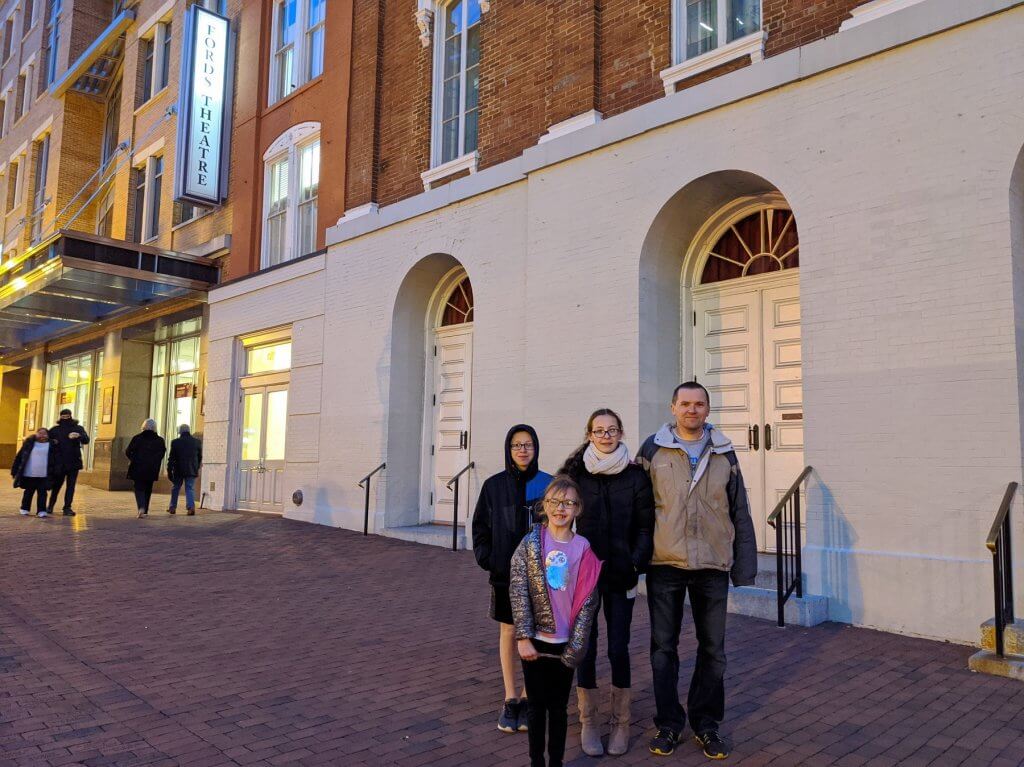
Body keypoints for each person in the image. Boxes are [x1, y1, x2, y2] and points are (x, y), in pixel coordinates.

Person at [637, 382, 757, 760]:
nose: (692, 410)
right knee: (663, 650)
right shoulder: (651, 449)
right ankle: (669, 723)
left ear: (707, 409)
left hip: (711, 564)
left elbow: (740, 509)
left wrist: (744, 564)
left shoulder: (724, 451)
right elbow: (637, 507)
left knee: (713, 651)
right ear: (673, 407)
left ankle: (706, 724)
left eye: (699, 404)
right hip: (665, 563)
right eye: (685, 404)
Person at [558, 408, 654, 756]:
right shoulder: (574, 475)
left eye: (612, 430)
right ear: (589, 435)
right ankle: (589, 720)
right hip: (583, 577)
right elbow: (559, 519)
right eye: (599, 431)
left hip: (620, 575)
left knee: (618, 647)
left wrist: (635, 562)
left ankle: (621, 723)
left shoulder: (635, 476)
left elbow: (645, 527)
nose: (606, 436)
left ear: (621, 433)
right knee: (585, 646)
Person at [510, 475, 602, 767]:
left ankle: (556, 762)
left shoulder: (583, 548)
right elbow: (518, 589)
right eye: (554, 502)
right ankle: (537, 760)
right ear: (544, 506)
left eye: (568, 503)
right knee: (536, 706)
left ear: (578, 509)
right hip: (535, 641)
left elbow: (588, 601)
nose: (560, 508)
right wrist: (523, 636)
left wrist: (575, 647)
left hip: (565, 642)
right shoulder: (530, 543)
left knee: (559, 707)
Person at [472, 424, 553, 734]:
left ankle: (530, 696)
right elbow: (480, 527)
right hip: (505, 576)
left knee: (536, 633)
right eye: (517, 445)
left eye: (528, 445)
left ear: (536, 449)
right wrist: (489, 559)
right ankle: (510, 698)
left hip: (540, 575)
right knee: (509, 630)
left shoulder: (548, 485)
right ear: (509, 449)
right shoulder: (494, 486)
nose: (523, 450)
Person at [47, 408, 90, 516]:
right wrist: (53, 441)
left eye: (67, 416)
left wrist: (79, 436)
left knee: (70, 486)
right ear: (60, 417)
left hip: (73, 462)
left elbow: (86, 440)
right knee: (57, 485)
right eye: (63, 416)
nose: (65, 418)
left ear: (71, 416)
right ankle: (51, 506)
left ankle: (67, 507)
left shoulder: (78, 428)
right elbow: (46, 441)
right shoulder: (55, 430)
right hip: (59, 462)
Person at [12, 428, 63, 518]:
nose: (42, 436)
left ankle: (41, 510)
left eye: (44, 434)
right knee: (28, 492)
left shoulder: (52, 445)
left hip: (44, 474)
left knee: (42, 493)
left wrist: (56, 471)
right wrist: (15, 470)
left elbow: (57, 460)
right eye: (40, 433)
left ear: (48, 435)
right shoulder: (29, 444)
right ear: (36, 434)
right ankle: (25, 508)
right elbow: (19, 457)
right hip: (30, 473)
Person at [126, 419, 166, 519]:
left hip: (137, 467)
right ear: (154, 428)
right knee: (148, 488)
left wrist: (133, 459)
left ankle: (141, 508)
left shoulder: (137, 438)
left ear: (143, 426)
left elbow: (128, 451)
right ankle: (145, 510)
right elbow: (161, 454)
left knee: (139, 488)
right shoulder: (160, 440)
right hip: (152, 468)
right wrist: (155, 462)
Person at [167, 424, 202, 516]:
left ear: (180, 432)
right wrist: (196, 467)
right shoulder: (197, 442)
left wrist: (169, 470)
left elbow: (171, 458)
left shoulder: (175, 442)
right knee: (189, 488)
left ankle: (172, 507)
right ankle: (190, 508)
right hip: (191, 469)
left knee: (175, 488)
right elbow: (199, 457)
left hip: (178, 469)